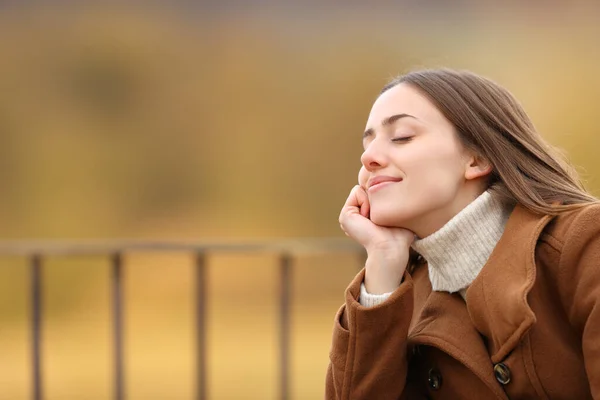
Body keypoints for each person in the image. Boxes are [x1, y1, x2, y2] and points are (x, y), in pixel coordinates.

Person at [326, 68, 600, 399]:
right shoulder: (403, 296)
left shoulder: (584, 244)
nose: (368, 157)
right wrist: (382, 263)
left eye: (401, 137)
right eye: (367, 145)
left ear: (477, 158)